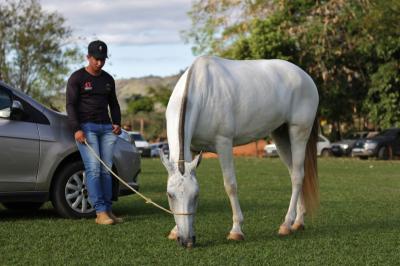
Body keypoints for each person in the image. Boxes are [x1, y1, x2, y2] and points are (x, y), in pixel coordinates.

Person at [66, 40, 122, 225]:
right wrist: (77, 129)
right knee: (94, 170)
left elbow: (113, 104)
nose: (99, 63)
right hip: (86, 129)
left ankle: (108, 210)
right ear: (88, 57)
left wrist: (117, 123)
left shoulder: (108, 80)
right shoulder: (77, 78)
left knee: (106, 171)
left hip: (106, 129)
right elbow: (70, 105)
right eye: (96, 59)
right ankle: (100, 212)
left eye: (102, 59)